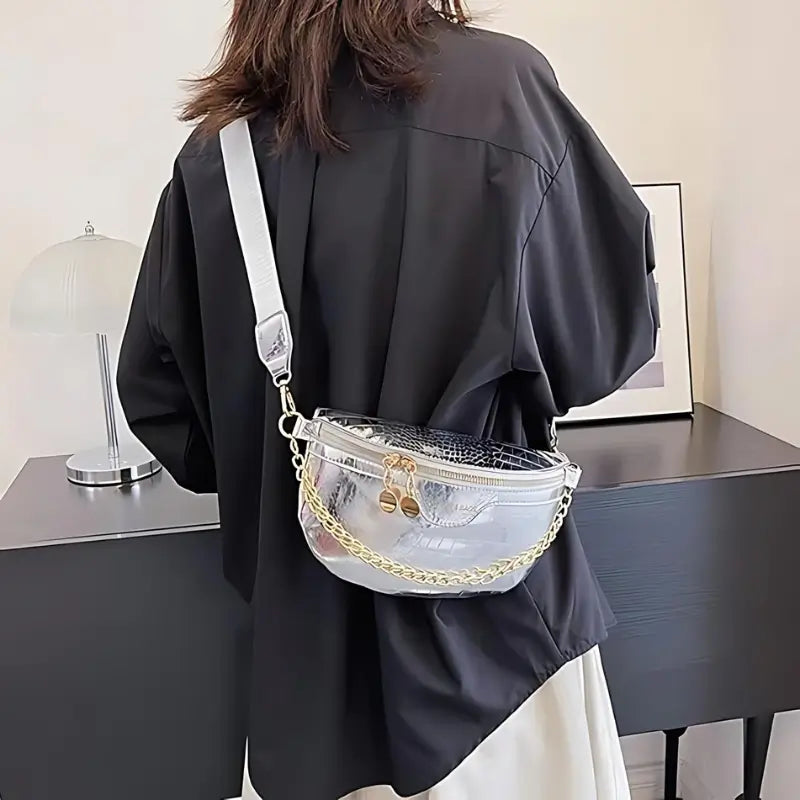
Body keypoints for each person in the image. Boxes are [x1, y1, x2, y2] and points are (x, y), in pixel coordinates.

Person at [117, 1, 658, 798]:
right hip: (496, 650)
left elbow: (169, 417)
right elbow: (606, 346)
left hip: (303, 678)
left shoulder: (216, 153)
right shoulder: (504, 90)